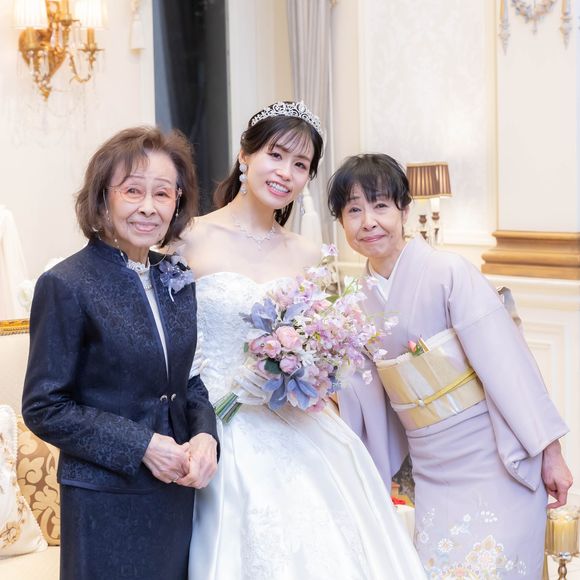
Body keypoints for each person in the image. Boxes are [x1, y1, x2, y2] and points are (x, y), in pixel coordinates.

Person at [181, 102, 426, 579]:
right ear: (245, 155)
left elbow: (324, 349)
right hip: (213, 424)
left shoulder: (308, 254)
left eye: (300, 165)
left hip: (295, 421)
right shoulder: (189, 238)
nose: (285, 173)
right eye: (275, 155)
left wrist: (304, 370)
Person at [329, 153, 573, 578]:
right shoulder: (355, 303)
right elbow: (363, 398)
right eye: (354, 210)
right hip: (432, 475)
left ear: (405, 211)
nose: (369, 221)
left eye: (381, 205)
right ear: (341, 221)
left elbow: (510, 366)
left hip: (494, 462)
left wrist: (550, 453)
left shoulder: (448, 272)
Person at [22, 126, 219, 580]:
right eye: (132, 191)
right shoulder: (66, 283)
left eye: (162, 193)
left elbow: (189, 380)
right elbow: (44, 407)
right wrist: (142, 445)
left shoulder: (176, 276)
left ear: (177, 202)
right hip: (104, 501)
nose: (148, 207)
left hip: (175, 493)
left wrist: (206, 436)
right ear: (102, 198)